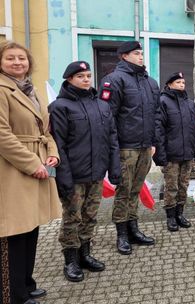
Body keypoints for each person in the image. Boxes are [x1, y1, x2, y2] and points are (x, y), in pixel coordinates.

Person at [0, 40, 61, 304]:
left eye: (22, 58)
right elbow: (2, 135)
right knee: (12, 233)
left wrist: (52, 153)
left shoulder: (30, 89)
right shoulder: (1, 90)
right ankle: (12, 294)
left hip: (37, 165)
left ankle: (26, 282)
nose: (17, 63)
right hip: (13, 170)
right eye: (10, 58)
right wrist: (32, 163)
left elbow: (44, 131)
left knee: (30, 229)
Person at [49, 61, 121, 282]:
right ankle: (70, 260)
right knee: (72, 218)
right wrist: (64, 177)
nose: (86, 79)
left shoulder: (102, 105)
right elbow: (58, 144)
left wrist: (114, 168)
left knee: (90, 216)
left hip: (96, 173)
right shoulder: (59, 107)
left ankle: (85, 254)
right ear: (69, 79)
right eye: (80, 76)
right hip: (74, 175)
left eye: (89, 75)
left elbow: (111, 139)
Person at [99, 41, 160, 255]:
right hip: (125, 147)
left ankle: (133, 229)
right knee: (123, 191)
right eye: (136, 53)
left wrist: (154, 142)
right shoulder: (114, 80)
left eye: (142, 53)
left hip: (145, 147)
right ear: (124, 56)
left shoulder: (150, 82)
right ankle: (121, 235)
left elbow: (156, 115)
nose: (141, 56)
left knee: (136, 189)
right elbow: (107, 117)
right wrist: (112, 148)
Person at [153, 72, 195, 231]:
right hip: (171, 155)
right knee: (171, 186)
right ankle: (170, 217)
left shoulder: (189, 103)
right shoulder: (162, 101)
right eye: (178, 82)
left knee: (183, 185)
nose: (182, 84)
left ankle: (180, 214)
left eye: (183, 82)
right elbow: (158, 131)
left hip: (187, 153)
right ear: (169, 84)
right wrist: (160, 155)